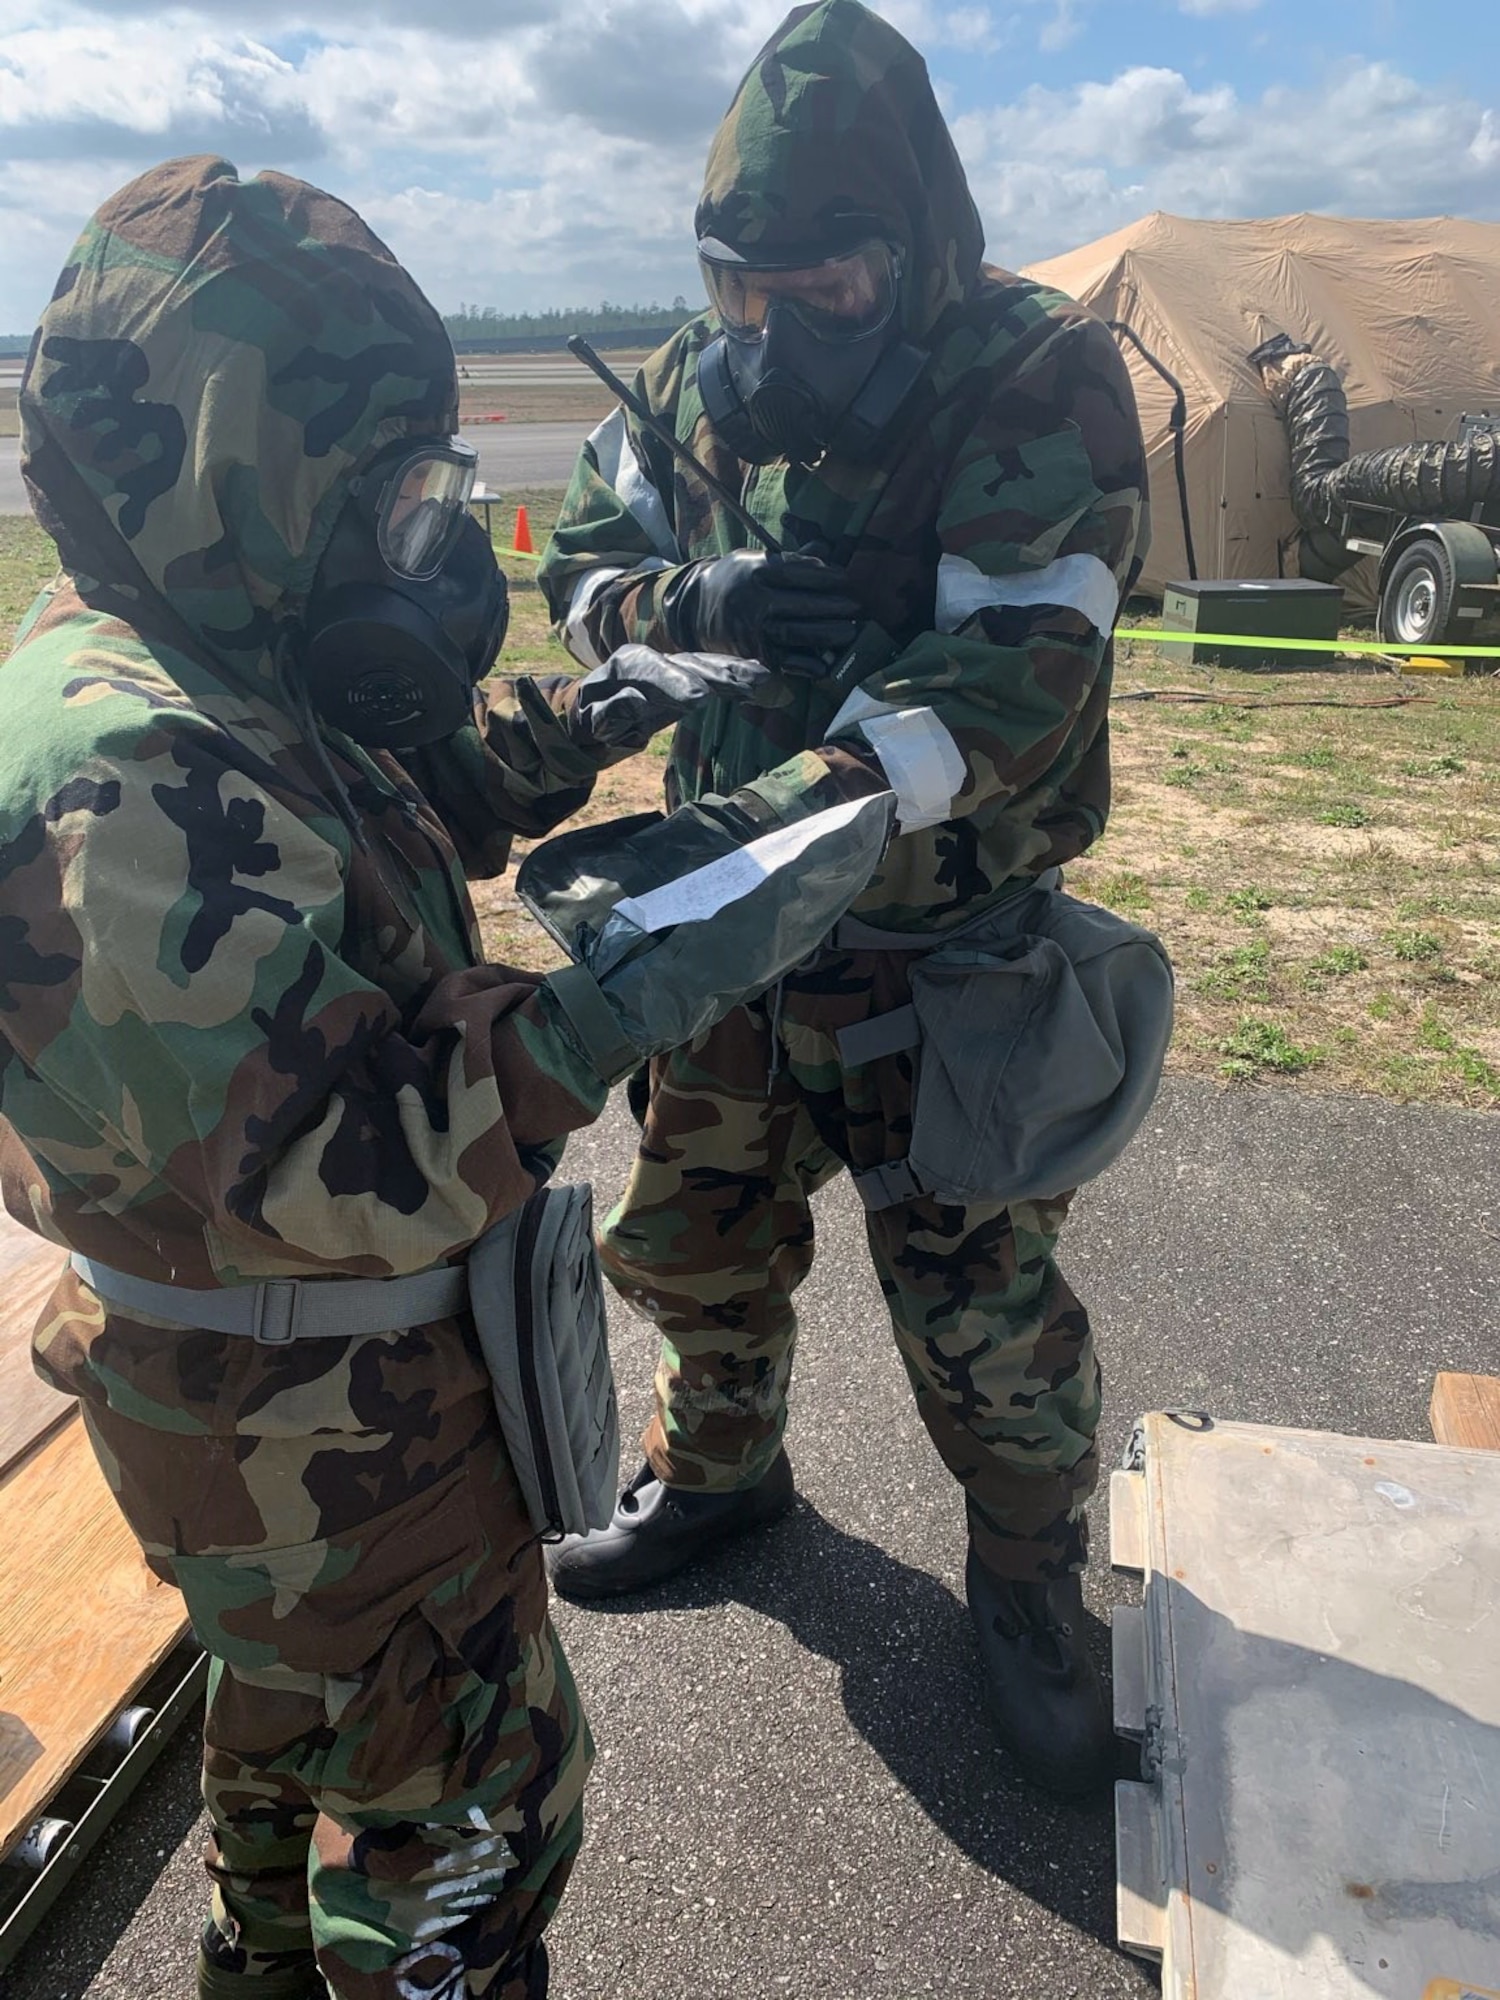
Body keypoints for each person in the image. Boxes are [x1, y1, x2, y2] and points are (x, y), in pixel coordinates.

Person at [0, 156, 889, 1999]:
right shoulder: (125, 771)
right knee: (478, 1807)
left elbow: (353, 858)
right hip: (318, 1428)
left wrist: (591, 715)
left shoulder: (204, 657)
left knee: (289, 1727)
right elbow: (358, 1161)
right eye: (369, 478)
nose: (404, 535)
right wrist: (635, 981)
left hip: (272, 1417)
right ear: (240, 451)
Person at [540, 0, 1152, 1798]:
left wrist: (794, 808)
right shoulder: (677, 386)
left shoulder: (1032, 375)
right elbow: (579, 576)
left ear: (920, 256)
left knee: (982, 1313)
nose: (776, 330)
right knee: (690, 1243)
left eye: (830, 294)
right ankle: (725, 1470)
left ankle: (1031, 1580)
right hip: (734, 947)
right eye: (745, 289)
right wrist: (691, 604)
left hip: (934, 941)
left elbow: (1018, 679)